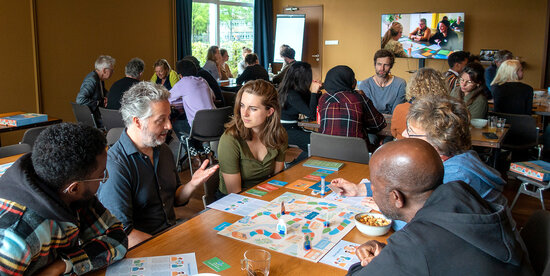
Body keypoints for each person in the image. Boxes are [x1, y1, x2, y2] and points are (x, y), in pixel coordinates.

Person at [344, 139, 533, 275]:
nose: (372, 191)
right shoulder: (462, 192)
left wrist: (371, 264)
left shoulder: (413, 245)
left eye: (374, 187)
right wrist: (391, 256)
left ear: (396, 197)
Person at [97, 82, 218, 248]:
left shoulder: (163, 150)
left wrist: (192, 184)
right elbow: (122, 234)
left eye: (169, 117)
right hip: (143, 248)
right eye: (161, 120)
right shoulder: (116, 165)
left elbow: (174, 200)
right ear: (137, 122)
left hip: (168, 233)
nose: (169, 126)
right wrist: (169, 246)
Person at [0, 123, 127, 275]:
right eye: (101, 175)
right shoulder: (16, 238)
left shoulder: (72, 192)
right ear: (74, 188)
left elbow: (117, 237)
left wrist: (62, 265)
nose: (103, 179)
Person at [217, 80, 287, 196]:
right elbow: (234, 195)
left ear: (269, 111)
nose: (244, 114)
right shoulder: (230, 140)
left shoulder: (278, 134)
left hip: (265, 196)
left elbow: (277, 180)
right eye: (242, 106)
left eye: (253, 108)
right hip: (234, 203)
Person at [318, 65, 386, 151]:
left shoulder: (323, 99)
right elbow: (378, 124)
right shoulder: (359, 98)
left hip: (325, 150)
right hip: (355, 152)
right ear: (349, 82)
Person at [169, 59, 217, 168]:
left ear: (180, 75)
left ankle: (194, 155)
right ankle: (208, 153)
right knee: (201, 125)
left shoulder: (183, 82)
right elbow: (213, 97)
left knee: (177, 124)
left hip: (198, 128)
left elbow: (167, 98)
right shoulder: (203, 80)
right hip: (215, 126)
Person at [278, 61, 322, 162]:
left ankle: (295, 164)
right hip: (284, 131)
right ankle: (294, 165)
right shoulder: (292, 94)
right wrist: (314, 92)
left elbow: (312, 105)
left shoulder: (295, 90)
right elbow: (312, 115)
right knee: (317, 143)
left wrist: (317, 91)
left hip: (291, 128)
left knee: (319, 141)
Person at [391, 68, 448, 139]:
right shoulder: (446, 111)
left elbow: (394, 132)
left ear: (412, 85)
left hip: (402, 147)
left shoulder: (400, 109)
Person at [358, 49, 406, 114]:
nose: (382, 68)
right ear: (375, 65)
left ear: (391, 66)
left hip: (392, 121)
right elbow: (368, 112)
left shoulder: (400, 84)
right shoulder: (365, 84)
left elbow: (396, 112)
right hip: (371, 122)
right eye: (379, 64)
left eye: (386, 65)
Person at [76, 55, 115, 126]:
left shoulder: (99, 78)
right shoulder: (92, 80)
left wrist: (109, 97)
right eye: (112, 70)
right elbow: (80, 99)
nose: (113, 72)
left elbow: (103, 91)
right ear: (104, 70)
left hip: (97, 114)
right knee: (115, 122)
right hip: (94, 117)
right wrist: (98, 103)